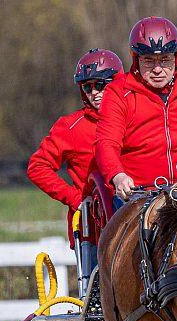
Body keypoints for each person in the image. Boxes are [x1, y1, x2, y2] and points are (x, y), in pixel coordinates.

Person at [95, 16, 177, 200]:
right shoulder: (118, 92)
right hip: (141, 193)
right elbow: (106, 143)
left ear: (176, 58)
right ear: (136, 60)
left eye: (165, 60)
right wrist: (118, 176)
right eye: (149, 60)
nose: (157, 69)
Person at [27, 48, 124, 245]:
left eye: (100, 85)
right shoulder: (70, 127)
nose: (94, 93)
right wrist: (75, 198)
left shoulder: (134, 118)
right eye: (87, 87)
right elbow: (37, 167)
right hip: (93, 230)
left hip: (131, 222)